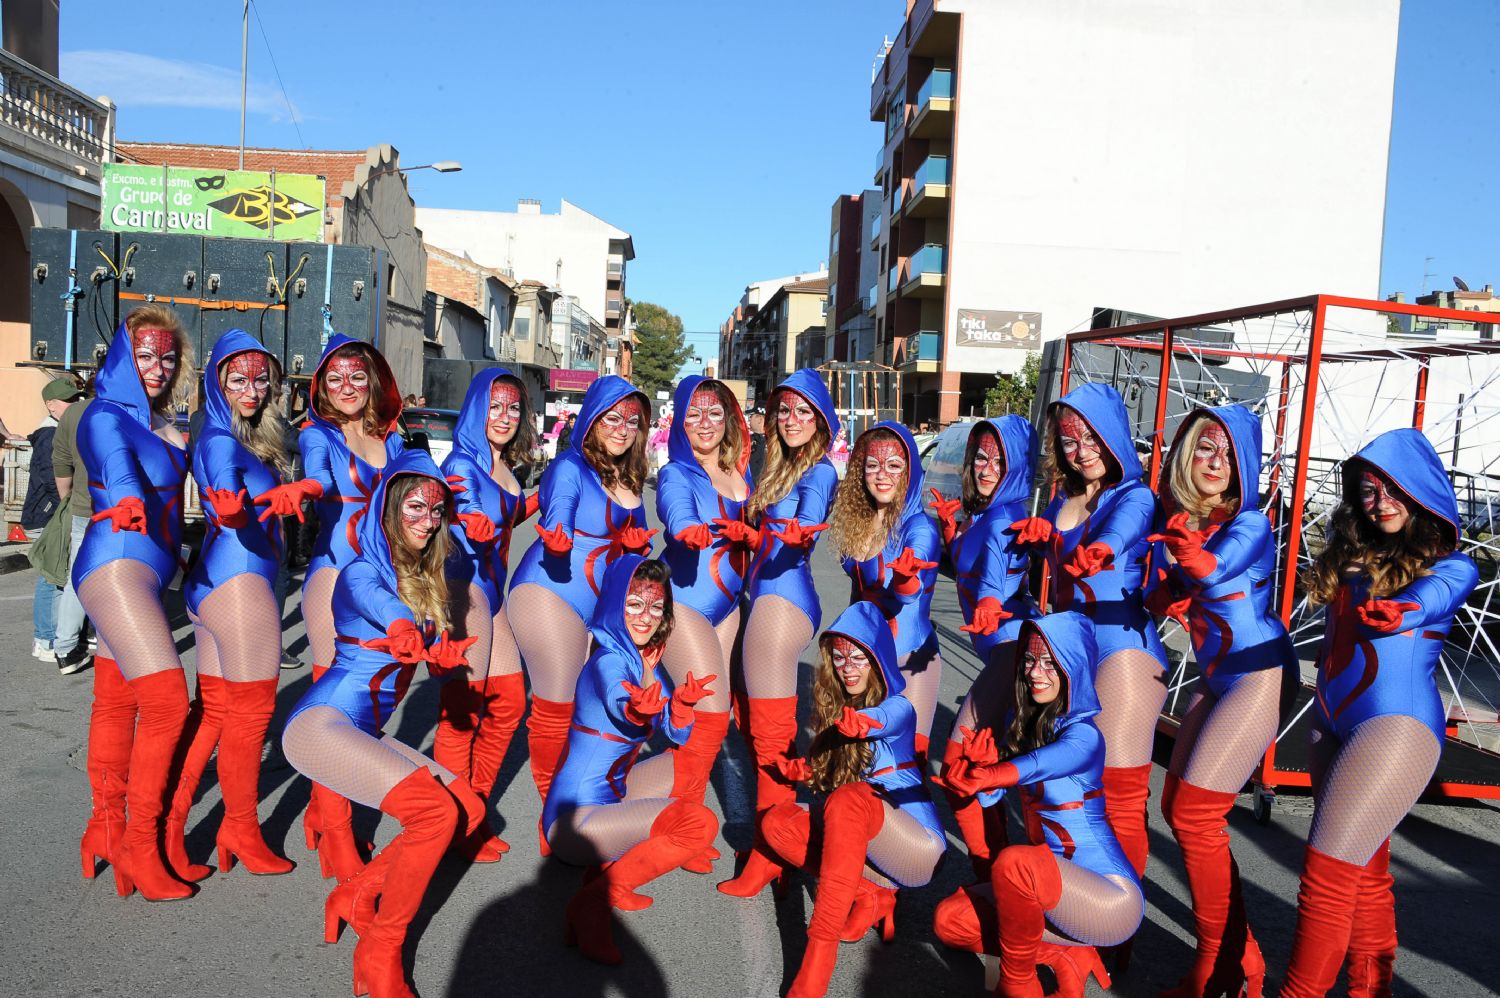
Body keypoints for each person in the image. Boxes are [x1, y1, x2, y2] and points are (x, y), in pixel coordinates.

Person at [1280, 429, 1477, 997]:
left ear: (1421, 494)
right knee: (1361, 869)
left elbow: (1436, 595)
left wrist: (1405, 609)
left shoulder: (1450, 564)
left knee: (1325, 874)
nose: (1381, 502)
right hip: (1331, 719)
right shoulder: (1349, 555)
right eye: (1368, 490)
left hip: (1396, 726)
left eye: (1394, 490)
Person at [283, 450, 484, 998]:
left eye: (437, 510)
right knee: (433, 813)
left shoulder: (422, 575)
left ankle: (354, 894)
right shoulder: (361, 572)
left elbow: (428, 638)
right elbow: (384, 608)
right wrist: (403, 631)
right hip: (321, 725)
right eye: (415, 508)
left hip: (361, 730)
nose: (427, 520)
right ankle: (380, 950)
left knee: (468, 810)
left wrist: (440, 655)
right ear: (389, 510)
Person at [1143, 405, 1296, 998]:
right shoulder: (1190, 520)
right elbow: (1174, 589)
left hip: (1259, 675)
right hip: (1221, 679)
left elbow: (1214, 570)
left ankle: (1222, 963)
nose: (1215, 463)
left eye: (1229, 455)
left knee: (1196, 815)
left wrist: (1186, 564)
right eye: (1205, 448)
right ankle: (1241, 957)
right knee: (1179, 806)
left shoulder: (1251, 522)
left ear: (1245, 469)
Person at [719, 601, 946, 998]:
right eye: (839, 658)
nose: (848, 667)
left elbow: (887, 721)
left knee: (849, 799)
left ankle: (816, 964)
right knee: (777, 822)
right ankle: (871, 894)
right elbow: (839, 773)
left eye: (858, 656)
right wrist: (803, 772)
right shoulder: (840, 708)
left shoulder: (899, 706)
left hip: (916, 845)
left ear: (877, 661)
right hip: (869, 830)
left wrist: (864, 723)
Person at [932, 613, 1142, 998]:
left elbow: (1043, 763)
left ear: (1072, 667)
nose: (1035, 672)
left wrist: (994, 774)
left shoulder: (1085, 736)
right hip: (1048, 888)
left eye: (1049, 661)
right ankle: (1065, 955)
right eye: (1029, 660)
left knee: (1014, 862)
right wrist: (978, 778)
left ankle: (1017, 986)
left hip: (1108, 899)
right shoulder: (1027, 723)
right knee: (951, 921)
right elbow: (999, 794)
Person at [1011, 382, 1167, 887]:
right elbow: (1053, 562)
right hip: (1069, 653)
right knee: (1066, 786)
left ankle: (1118, 924)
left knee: (1119, 796)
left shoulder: (1136, 495)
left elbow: (1119, 533)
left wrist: (1096, 550)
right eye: (1070, 442)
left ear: (1113, 436)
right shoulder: (1063, 497)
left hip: (1122, 651)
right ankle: (1074, 907)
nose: (1081, 453)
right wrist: (1040, 541)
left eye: (1091, 439)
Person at [264, 334, 404, 882]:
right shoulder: (317, 434)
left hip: (384, 585)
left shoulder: (390, 439)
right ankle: (338, 836)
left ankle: (326, 809)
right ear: (321, 386)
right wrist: (304, 488)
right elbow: (321, 475)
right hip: (333, 580)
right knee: (335, 711)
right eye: (335, 378)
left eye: (357, 377)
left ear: (372, 383)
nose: (347, 387)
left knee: (372, 703)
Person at [166, 330, 298, 882]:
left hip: (221, 585)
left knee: (217, 714)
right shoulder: (222, 439)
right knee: (250, 717)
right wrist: (267, 501)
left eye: (259, 378)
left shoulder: (243, 434)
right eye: (238, 378)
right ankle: (239, 827)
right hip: (239, 587)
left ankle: (168, 826)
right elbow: (227, 504)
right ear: (217, 381)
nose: (251, 388)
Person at [75, 304, 196, 901]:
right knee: (169, 703)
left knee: (117, 701)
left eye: (167, 356)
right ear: (125, 357)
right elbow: (117, 467)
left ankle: (105, 827)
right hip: (116, 566)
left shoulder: (166, 423)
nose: (157, 366)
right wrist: (123, 498)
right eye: (145, 355)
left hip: (146, 575)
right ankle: (138, 846)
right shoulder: (105, 417)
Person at [544, 555, 719, 965]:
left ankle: (613, 878)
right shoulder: (608, 659)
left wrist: (680, 704)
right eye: (634, 605)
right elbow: (619, 700)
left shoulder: (643, 661)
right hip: (576, 822)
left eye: (656, 607)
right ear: (613, 606)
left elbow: (677, 734)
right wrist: (638, 708)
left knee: (688, 762)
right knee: (699, 825)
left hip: (614, 795)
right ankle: (592, 903)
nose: (646, 617)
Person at [509, 375, 654, 820]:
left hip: (598, 605)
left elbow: (638, 545)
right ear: (591, 420)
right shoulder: (570, 467)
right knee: (556, 706)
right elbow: (560, 510)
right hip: (548, 591)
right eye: (612, 418)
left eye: (631, 420)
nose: (621, 428)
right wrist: (557, 536)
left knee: (601, 703)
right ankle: (554, 818)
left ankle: (584, 801)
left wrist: (637, 547)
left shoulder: (629, 474)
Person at [928, 415, 1039, 880]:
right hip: (1001, 654)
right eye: (980, 457)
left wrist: (991, 602)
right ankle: (998, 876)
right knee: (985, 769)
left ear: (1017, 466)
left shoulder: (1006, 519)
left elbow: (996, 575)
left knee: (962, 767)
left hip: (1009, 655)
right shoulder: (992, 513)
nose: (987, 467)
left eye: (999, 459)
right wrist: (954, 535)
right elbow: (975, 568)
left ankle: (996, 875)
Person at [436, 369, 538, 862]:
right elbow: (463, 499)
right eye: (495, 407)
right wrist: (467, 515)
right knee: (461, 714)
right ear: (478, 408)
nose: (505, 417)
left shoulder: (503, 465)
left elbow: (509, 511)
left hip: (490, 591)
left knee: (510, 704)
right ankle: (452, 824)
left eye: (513, 408)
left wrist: (555, 496)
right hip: (463, 589)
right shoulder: (462, 460)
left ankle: (470, 812)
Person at [738, 370, 839, 821]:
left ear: (820, 420)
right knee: (753, 722)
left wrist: (788, 535)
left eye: (803, 411)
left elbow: (808, 522)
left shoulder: (817, 471)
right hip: (765, 598)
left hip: (783, 601)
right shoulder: (779, 467)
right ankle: (786, 825)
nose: (791, 419)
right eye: (784, 409)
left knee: (770, 731)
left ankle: (774, 846)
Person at [654, 377, 755, 827]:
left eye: (715, 413)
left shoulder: (740, 471)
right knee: (711, 713)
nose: (705, 423)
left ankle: (682, 814)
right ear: (680, 422)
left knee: (707, 713)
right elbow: (675, 507)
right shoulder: (677, 471)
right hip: (685, 603)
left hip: (729, 605)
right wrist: (685, 528)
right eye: (693, 414)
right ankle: (678, 817)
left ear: (730, 419)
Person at [828, 421, 942, 757]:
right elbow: (858, 597)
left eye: (894, 466)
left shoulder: (919, 528)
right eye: (872, 465)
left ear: (910, 472)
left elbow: (912, 591)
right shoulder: (860, 520)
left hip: (908, 656)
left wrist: (906, 578)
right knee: (861, 762)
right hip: (864, 658)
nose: (882, 475)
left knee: (905, 767)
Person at [24, 378, 80, 663]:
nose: (74, 405)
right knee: (52, 579)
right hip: (48, 516)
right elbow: (51, 480)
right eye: (68, 401)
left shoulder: (59, 430)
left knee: (58, 576)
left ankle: (52, 636)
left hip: (52, 514)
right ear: (50, 405)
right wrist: (67, 511)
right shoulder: (50, 435)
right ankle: (44, 639)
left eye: (76, 399)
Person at [51, 376, 96, 675]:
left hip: (83, 505)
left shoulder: (74, 414)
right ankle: (98, 639)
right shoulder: (133, 408)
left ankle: (65, 648)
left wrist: (69, 500)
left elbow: (61, 463)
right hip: (120, 510)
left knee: (76, 579)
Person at [747, 406, 767, 482]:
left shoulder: (750, 441)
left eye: (751, 416)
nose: (749, 419)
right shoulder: (774, 442)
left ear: (759, 419)